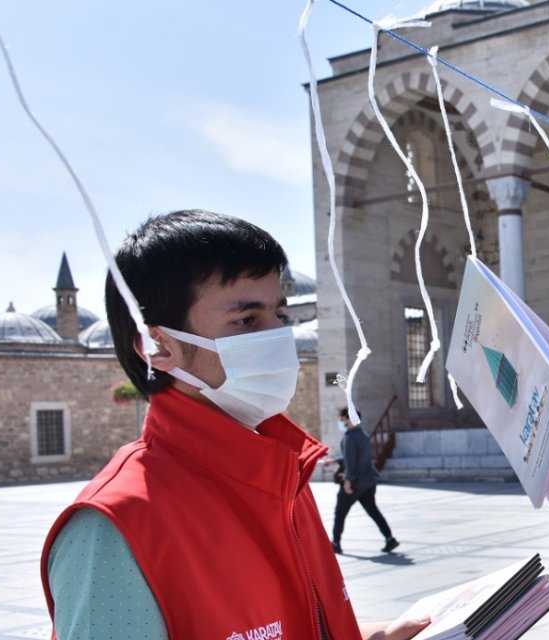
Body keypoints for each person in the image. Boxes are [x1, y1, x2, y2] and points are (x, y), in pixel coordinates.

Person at [40, 210, 428, 639]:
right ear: (158, 346)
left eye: (280, 314)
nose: (278, 335)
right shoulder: (116, 530)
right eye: (246, 321)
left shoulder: (281, 479)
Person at [331, 407, 400, 555]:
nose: (341, 422)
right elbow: (358, 458)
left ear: (348, 419)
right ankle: (389, 538)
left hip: (355, 483)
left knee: (340, 512)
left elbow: (350, 462)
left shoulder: (350, 437)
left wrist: (347, 481)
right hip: (368, 482)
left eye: (342, 419)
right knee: (373, 510)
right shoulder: (363, 435)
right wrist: (335, 460)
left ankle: (335, 543)